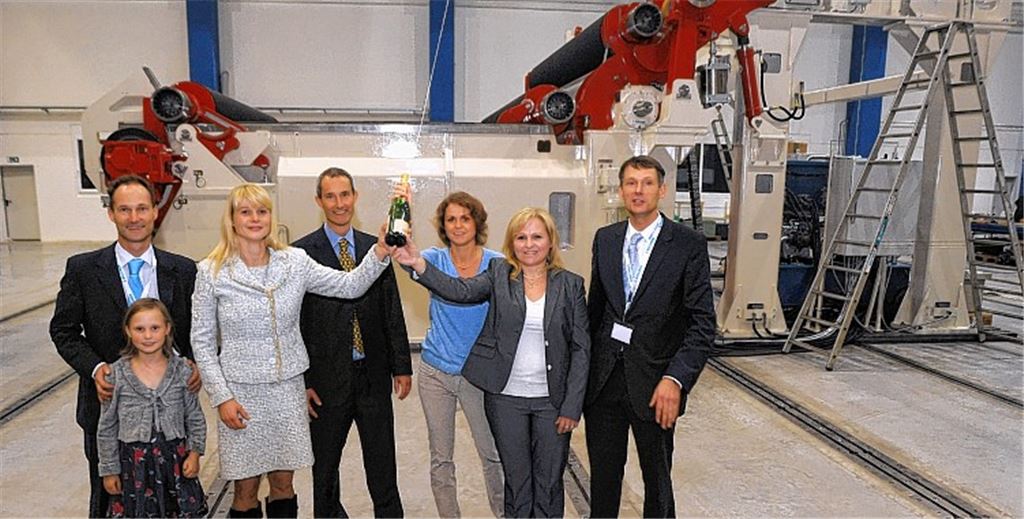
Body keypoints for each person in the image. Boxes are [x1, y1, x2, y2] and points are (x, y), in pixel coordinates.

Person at [190, 183, 394, 518]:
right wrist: (221, 397)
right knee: (245, 489)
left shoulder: (295, 262)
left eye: (262, 211)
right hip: (240, 395)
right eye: (246, 212)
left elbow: (350, 285)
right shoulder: (211, 273)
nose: (255, 219)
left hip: (287, 391)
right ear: (232, 220)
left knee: (284, 483)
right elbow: (201, 341)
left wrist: (380, 253)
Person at [394, 207, 590, 518]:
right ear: (512, 243)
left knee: (550, 483)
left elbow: (581, 349)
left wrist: (572, 406)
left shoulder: (570, 285)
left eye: (537, 236)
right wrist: (418, 263)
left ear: (550, 241)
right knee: (516, 482)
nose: (529, 244)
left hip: (551, 402)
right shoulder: (499, 274)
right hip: (506, 399)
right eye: (521, 237)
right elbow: (460, 290)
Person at [50, 175, 200, 518]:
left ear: (155, 212)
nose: (134, 217)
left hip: (172, 415)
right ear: (111, 214)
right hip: (108, 410)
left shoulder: (183, 270)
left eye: (142, 208)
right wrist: (96, 368)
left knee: (175, 501)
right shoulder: (84, 269)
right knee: (109, 499)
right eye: (125, 209)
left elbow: (197, 331)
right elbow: (64, 330)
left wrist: (195, 362)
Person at [585, 155, 715, 518]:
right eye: (630, 183)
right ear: (621, 190)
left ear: (662, 189)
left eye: (646, 183)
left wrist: (676, 379)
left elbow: (703, 324)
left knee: (657, 484)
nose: (638, 190)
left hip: (657, 384)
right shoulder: (606, 239)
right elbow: (595, 312)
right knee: (604, 482)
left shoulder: (687, 245)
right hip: (604, 383)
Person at [293, 167, 412, 518]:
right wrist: (304, 382)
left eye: (345, 195)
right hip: (326, 380)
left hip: (372, 374)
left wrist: (401, 365)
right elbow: (295, 322)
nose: (339, 203)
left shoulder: (376, 248)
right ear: (319, 201)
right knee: (325, 471)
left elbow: (391, 308)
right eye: (330, 196)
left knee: (382, 468)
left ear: (355, 197)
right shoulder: (301, 253)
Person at [416, 192, 504, 518]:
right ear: (443, 225)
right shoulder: (432, 259)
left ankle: (503, 513)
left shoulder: (496, 263)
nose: (457, 225)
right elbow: (407, 257)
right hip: (435, 372)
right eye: (450, 219)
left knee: (492, 454)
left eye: (464, 218)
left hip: (477, 375)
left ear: (476, 222)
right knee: (441, 458)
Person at [97, 298, 208, 518]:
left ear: (167, 329)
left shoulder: (183, 371)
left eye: (155, 328)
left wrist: (195, 453)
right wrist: (109, 470)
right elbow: (107, 427)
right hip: (133, 468)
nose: (148, 336)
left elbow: (195, 416)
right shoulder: (115, 375)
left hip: (175, 464)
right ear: (128, 331)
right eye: (139, 329)